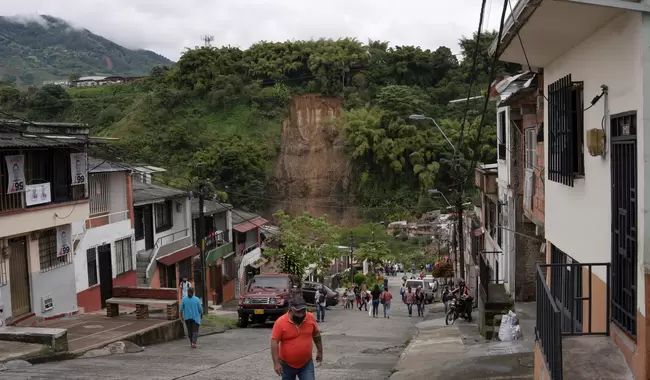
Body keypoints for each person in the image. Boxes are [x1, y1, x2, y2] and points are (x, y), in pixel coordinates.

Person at [271, 297, 322, 380]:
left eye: (303, 311)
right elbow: (274, 342)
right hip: (286, 364)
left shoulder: (310, 318)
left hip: (306, 363)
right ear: (291, 309)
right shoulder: (280, 322)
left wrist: (320, 351)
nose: (301, 314)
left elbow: (316, 335)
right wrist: (276, 363)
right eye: (298, 311)